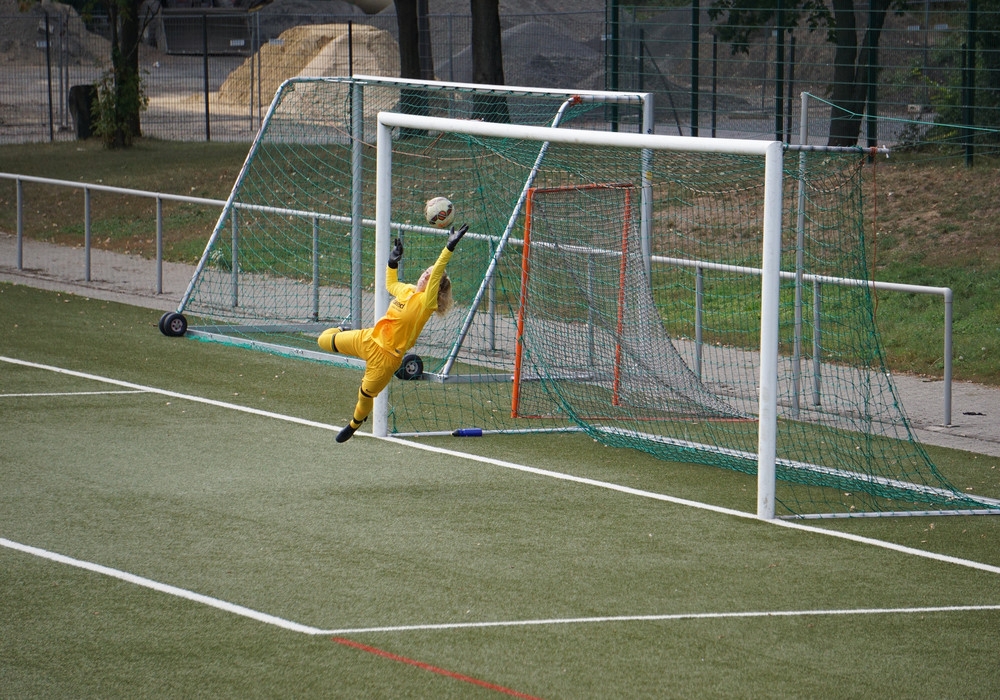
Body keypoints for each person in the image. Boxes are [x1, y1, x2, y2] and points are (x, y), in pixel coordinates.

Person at [317, 223, 469, 442]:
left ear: (434, 289)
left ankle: (354, 424)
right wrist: (392, 262)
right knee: (322, 340)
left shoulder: (426, 304)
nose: (425, 277)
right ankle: (342, 329)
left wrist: (448, 247)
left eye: (430, 277)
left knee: (365, 394)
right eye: (425, 273)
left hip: (386, 358)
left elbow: (437, 272)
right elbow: (391, 284)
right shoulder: (407, 290)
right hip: (368, 338)